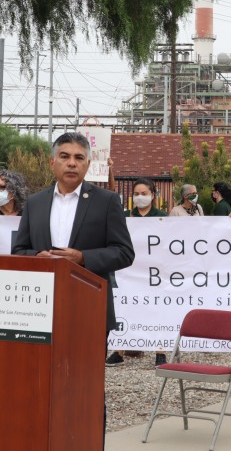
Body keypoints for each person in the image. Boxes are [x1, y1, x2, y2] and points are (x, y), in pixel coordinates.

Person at [12, 131, 134, 443]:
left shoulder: (107, 201)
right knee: (39, 385)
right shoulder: (36, 203)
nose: (71, 163)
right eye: (65, 157)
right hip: (39, 313)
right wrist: (37, 258)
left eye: (79, 158)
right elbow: (19, 251)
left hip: (89, 313)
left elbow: (124, 252)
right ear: (53, 162)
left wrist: (83, 258)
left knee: (86, 390)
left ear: (88, 164)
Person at [106, 178, 167, 367]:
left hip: (154, 271)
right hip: (128, 271)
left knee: (158, 310)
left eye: (144, 194)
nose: (140, 197)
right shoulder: (125, 216)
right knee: (125, 307)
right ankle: (119, 350)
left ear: (153, 195)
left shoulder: (162, 217)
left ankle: (160, 352)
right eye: (137, 194)